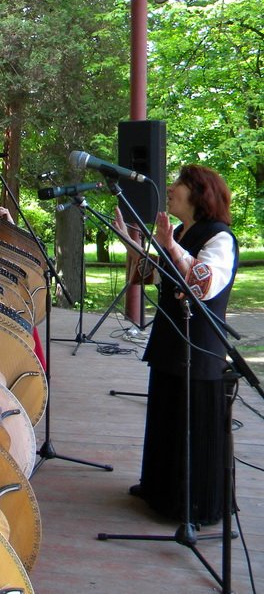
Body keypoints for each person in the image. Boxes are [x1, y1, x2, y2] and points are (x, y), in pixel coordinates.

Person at [114, 165, 238, 526]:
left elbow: (203, 285)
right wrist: (131, 243)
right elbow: (154, 275)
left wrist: (169, 245)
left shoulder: (220, 237)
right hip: (171, 342)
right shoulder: (183, 232)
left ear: (199, 194)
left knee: (192, 424)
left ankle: (194, 504)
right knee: (167, 415)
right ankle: (160, 491)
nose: (170, 188)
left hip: (199, 349)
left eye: (179, 183)